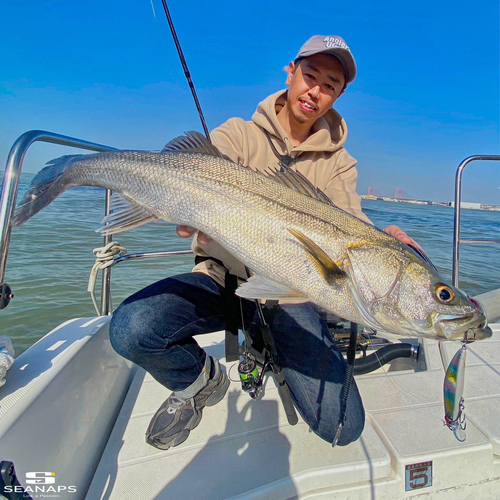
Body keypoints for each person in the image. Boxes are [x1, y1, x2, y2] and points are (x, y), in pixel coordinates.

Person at [109, 35, 421, 451]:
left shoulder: (339, 162)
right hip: (221, 279)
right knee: (132, 328)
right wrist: (181, 209)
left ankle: (271, 349)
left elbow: (351, 223)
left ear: (339, 94)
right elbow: (193, 173)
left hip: (290, 296)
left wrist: (385, 240)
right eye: (310, 75)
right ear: (290, 72)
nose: (316, 90)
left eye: (330, 84)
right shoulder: (239, 134)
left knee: (343, 425)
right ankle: (201, 383)